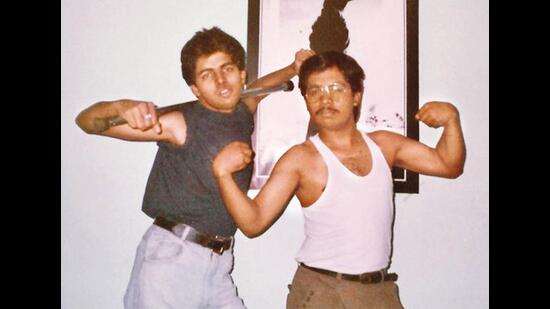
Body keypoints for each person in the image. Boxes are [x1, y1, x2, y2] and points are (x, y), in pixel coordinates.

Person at [75, 26, 314, 309]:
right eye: (207, 75)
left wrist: (293, 68)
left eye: (226, 69)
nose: (221, 81)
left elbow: (260, 91)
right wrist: (120, 106)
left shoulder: (241, 111)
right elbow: (87, 122)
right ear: (195, 89)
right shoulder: (179, 124)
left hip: (219, 264)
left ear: (241, 74)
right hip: (172, 261)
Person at [211, 50, 466, 309]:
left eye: (336, 88)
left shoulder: (386, 145)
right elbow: (253, 223)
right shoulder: (301, 159)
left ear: (356, 96)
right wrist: (222, 174)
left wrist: (451, 120)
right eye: (314, 91)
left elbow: (448, 165)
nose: (325, 99)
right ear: (307, 101)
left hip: (380, 293)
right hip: (322, 293)